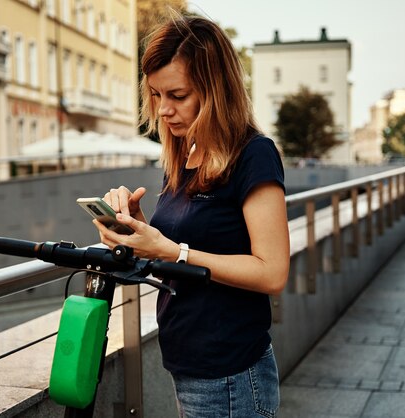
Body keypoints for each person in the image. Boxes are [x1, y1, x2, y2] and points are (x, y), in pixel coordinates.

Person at [93, 14, 289, 418]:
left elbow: (273, 273)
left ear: (214, 90)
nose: (163, 110)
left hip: (231, 373)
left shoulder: (253, 155)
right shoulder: (186, 154)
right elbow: (179, 250)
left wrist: (175, 251)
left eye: (178, 95)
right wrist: (137, 229)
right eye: (156, 95)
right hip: (189, 365)